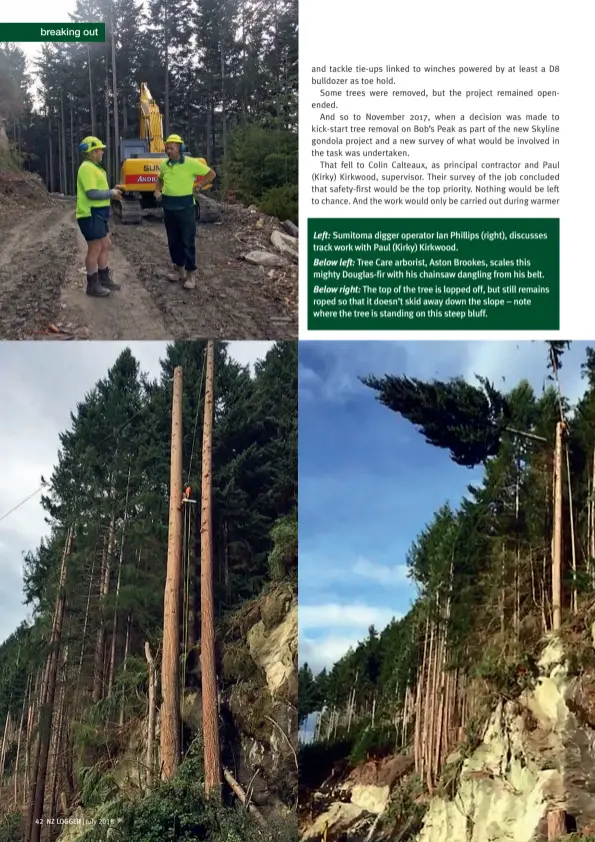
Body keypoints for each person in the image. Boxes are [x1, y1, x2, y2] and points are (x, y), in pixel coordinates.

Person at [154, 134, 216, 290]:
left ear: (180, 148)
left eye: (171, 148)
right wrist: (157, 190)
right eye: (167, 148)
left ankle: (191, 275)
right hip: (169, 208)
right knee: (173, 241)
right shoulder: (164, 165)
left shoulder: (191, 163)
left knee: (187, 242)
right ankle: (179, 271)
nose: (168, 151)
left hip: (186, 208)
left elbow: (211, 174)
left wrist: (200, 185)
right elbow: (160, 179)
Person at [76, 136, 122, 298]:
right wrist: (111, 193)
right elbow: (92, 193)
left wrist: (112, 189)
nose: (102, 152)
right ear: (93, 152)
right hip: (90, 214)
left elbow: (99, 189)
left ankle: (103, 278)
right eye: (100, 149)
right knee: (95, 248)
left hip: (99, 214)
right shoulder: (87, 168)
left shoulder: (95, 168)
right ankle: (92, 285)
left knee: (105, 244)